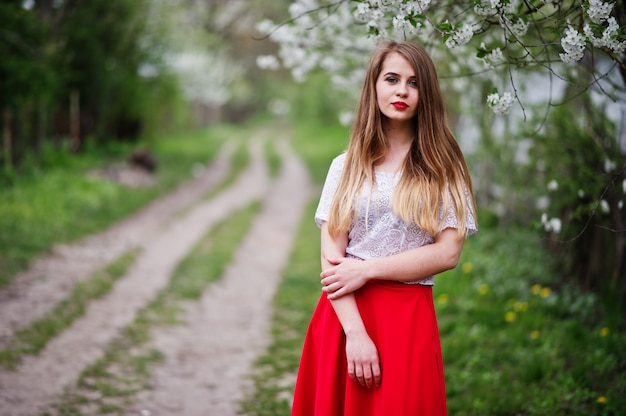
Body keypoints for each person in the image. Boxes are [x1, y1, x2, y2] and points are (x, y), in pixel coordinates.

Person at [290, 40, 478, 416]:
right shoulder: (344, 166)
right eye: (392, 79)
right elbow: (331, 262)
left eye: (413, 82)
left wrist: (367, 269)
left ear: (426, 93)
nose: (402, 91)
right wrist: (355, 335)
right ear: (374, 85)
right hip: (343, 317)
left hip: (408, 320)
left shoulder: (445, 166)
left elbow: (448, 252)